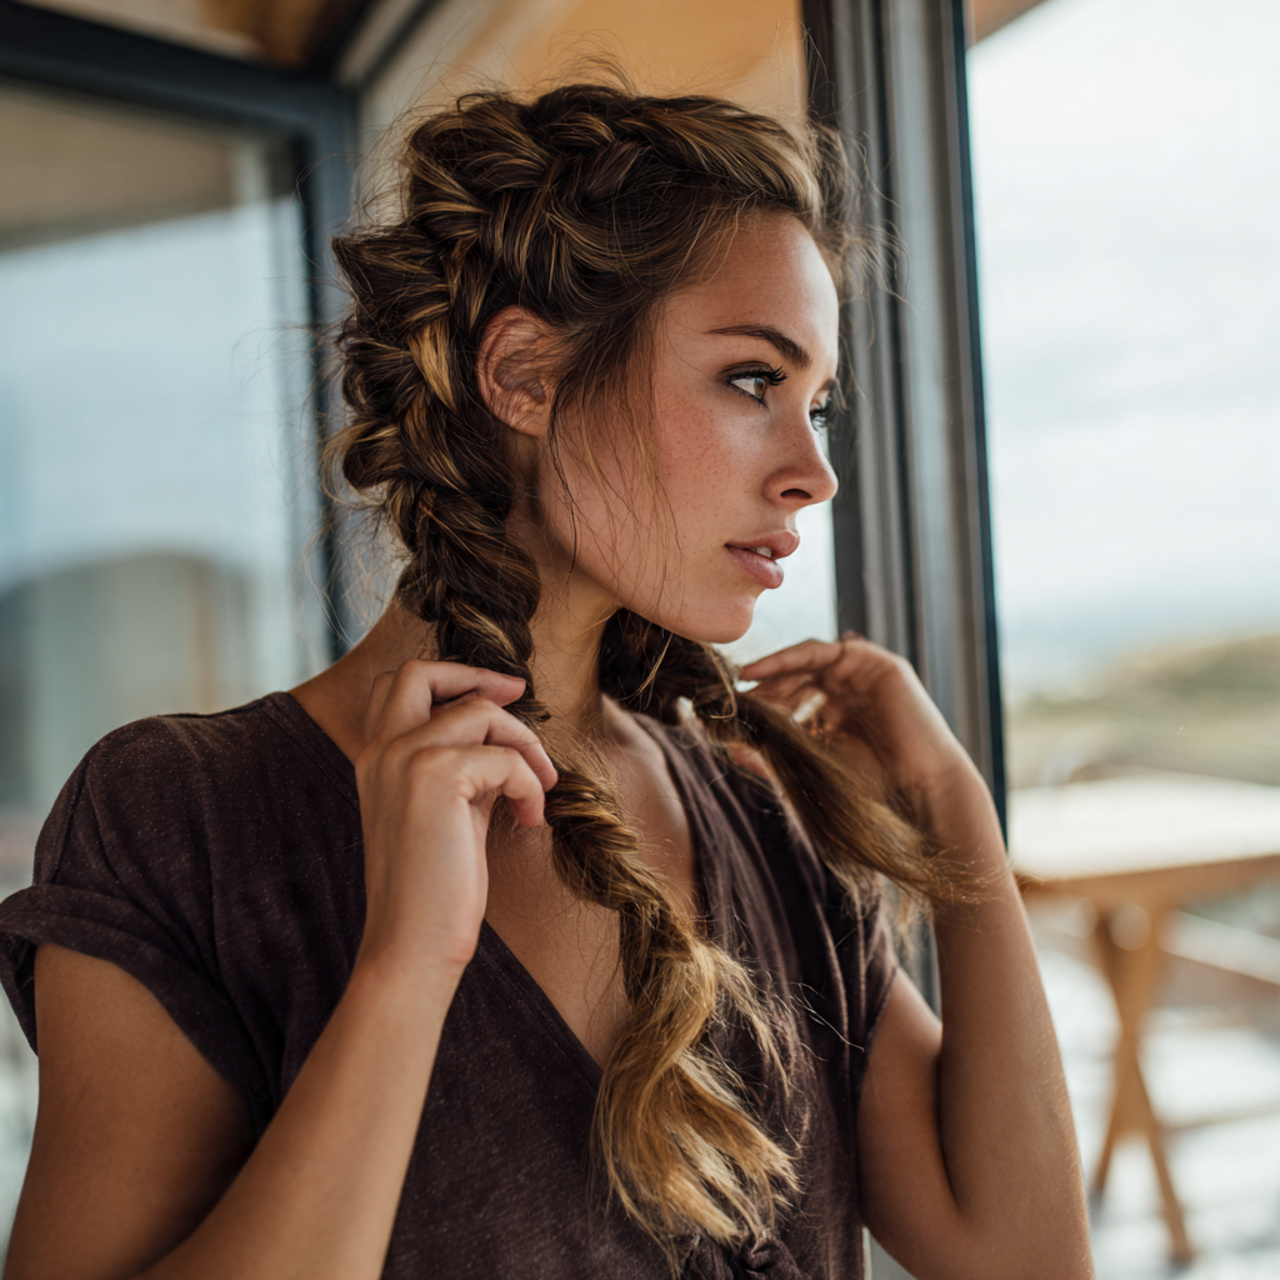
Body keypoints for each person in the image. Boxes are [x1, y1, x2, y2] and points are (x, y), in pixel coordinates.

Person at [0, 79, 1092, 1280]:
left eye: (817, 405)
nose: (811, 472)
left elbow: (1024, 1258)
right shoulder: (188, 816)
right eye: (749, 381)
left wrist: (958, 826)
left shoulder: (753, 815)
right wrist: (406, 967)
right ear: (523, 373)